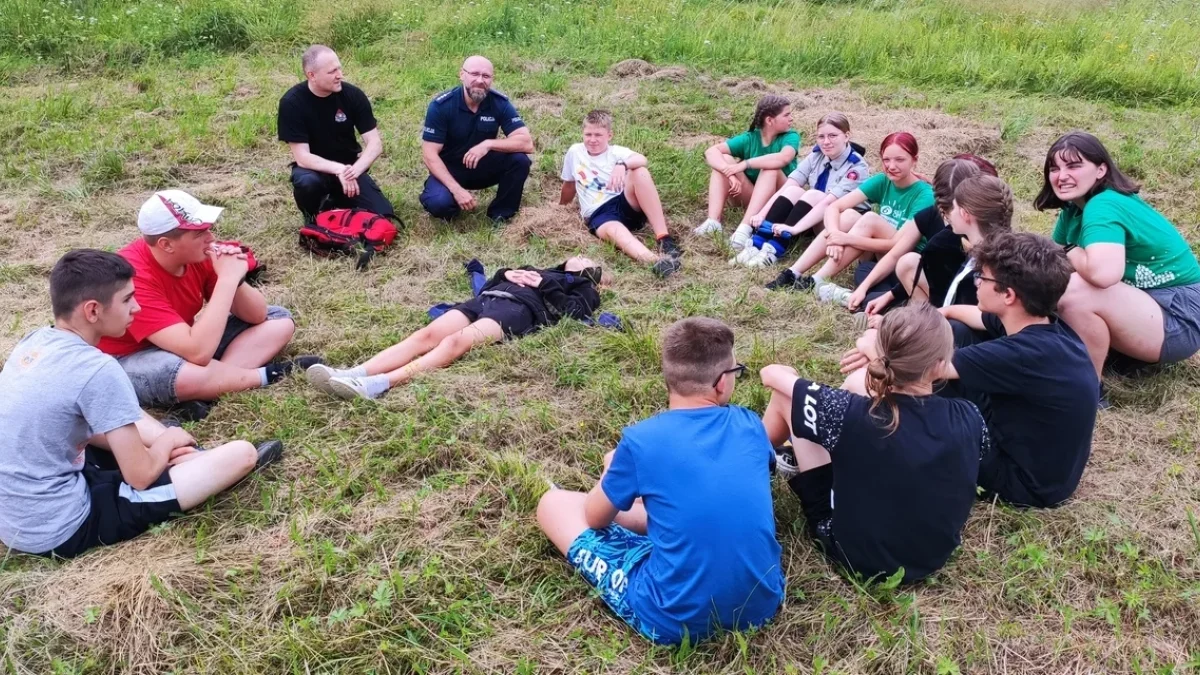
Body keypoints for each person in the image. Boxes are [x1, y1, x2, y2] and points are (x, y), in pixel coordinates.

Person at [0, 250, 283, 559]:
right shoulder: (98, 369)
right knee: (241, 454)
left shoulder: (35, 342)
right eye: (127, 300)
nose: (137, 307)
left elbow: (82, 421)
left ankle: (189, 457)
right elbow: (140, 475)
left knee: (136, 435)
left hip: (14, 511)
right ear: (93, 311)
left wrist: (161, 442)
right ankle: (202, 461)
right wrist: (167, 441)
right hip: (60, 527)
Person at [536, 317, 783, 645]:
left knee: (553, 503)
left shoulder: (641, 441)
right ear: (722, 382)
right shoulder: (749, 423)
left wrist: (611, 469)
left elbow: (594, 518)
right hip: (763, 602)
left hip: (672, 619)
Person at [843, 232, 1099, 507]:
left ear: (1009, 295)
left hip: (1021, 483)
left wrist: (872, 347)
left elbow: (918, 370)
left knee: (870, 382)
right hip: (1043, 462)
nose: (976, 281)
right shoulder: (1043, 326)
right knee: (953, 332)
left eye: (982, 276)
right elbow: (973, 317)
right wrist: (939, 315)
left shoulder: (1019, 355)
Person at [761, 303, 987, 583]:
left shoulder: (850, 414)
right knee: (856, 386)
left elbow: (771, 374)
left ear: (884, 358)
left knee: (787, 396)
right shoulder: (970, 415)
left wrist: (798, 376)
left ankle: (750, 462)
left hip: (856, 556)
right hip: (934, 553)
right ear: (942, 365)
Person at [97, 190, 318, 416]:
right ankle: (266, 375)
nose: (210, 237)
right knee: (177, 373)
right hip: (128, 359)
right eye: (199, 233)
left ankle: (210, 389)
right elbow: (199, 353)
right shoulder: (133, 277)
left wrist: (235, 279)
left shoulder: (195, 255)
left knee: (278, 319)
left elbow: (256, 315)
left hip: (182, 344)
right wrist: (226, 279)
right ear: (166, 244)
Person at [308, 257, 605, 400]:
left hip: (517, 311)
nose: (580, 254)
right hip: (487, 299)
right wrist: (504, 273)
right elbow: (484, 288)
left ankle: (378, 384)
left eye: (587, 258)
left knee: (455, 343)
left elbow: (574, 314)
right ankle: (352, 373)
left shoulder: (584, 288)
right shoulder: (542, 268)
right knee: (424, 336)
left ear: (589, 272)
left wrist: (546, 285)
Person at [1035, 131, 1200, 377]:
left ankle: (1087, 386)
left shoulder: (1104, 204)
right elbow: (1053, 261)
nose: (1062, 176)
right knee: (1053, 281)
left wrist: (1072, 250)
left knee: (1074, 289)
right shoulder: (1073, 208)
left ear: (1101, 170)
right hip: (1145, 306)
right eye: (1054, 168)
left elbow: (1103, 275)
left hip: (1179, 317)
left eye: (1074, 166)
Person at [766, 132, 934, 302]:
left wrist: (846, 239)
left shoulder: (924, 195)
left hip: (905, 260)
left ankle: (816, 280)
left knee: (870, 219)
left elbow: (897, 244)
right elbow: (834, 206)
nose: (891, 166)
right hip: (876, 253)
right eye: (886, 160)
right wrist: (834, 235)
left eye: (900, 160)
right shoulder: (883, 180)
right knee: (848, 215)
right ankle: (793, 272)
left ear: (914, 160)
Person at [857, 171, 1013, 330]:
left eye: (953, 207)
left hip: (959, 335)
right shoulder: (982, 248)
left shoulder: (989, 267)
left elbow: (969, 323)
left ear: (965, 214)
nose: (947, 214)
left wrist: (896, 326)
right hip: (947, 317)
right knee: (867, 272)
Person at [731, 112, 871, 267]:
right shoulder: (817, 154)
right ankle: (756, 244)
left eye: (832, 136)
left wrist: (793, 229)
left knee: (813, 194)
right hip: (814, 215)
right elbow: (788, 186)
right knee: (793, 191)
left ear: (846, 136)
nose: (826, 142)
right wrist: (762, 213)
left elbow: (828, 203)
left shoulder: (857, 167)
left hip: (840, 222)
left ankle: (774, 249)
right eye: (821, 136)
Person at [278, 44, 395, 222]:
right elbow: (302, 157)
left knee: (383, 215)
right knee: (307, 184)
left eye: (339, 68)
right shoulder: (292, 103)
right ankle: (313, 216)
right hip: (313, 170)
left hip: (350, 168)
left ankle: (336, 202)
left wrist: (353, 171)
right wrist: (338, 169)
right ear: (312, 75)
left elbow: (375, 144)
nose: (339, 75)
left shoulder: (353, 95)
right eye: (332, 71)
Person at [559, 110, 682, 278]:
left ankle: (664, 238)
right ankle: (656, 261)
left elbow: (642, 159)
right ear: (582, 133)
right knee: (613, 230)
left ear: (609, 135)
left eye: (598, 135)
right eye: (588, 134)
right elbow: (569, 184)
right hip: (599, 214)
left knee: (639, 171)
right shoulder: (575, 152)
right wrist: (561, 208)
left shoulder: (617, 153)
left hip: (624, 202)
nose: (592, 140)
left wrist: (622, 165)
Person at [419, 55, 534, 223]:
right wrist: (456, 190)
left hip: (482, 166)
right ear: (462, 75)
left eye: (486, 76)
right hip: (450, 169)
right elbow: (429, 154)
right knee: (440, 204)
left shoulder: (499, 103)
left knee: (520, 160)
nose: (480, 80)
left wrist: (488, 144)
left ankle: (501, 214)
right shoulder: (441, 106)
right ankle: (452, 200)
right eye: (474, 74)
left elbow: (527, 143)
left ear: (492, 79)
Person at [693, 95, 800, 236]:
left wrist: (745, 164)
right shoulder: (750, 138)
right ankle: (713, 221)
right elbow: (711, 152)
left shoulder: (790, 136)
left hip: (780, 199)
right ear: (769, 120)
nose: (791, 118)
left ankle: (745, 228)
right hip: (753, 197)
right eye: (786, 115)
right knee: (724, 159)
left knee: (771, 170)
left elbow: (783, 158)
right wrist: (729, 173)